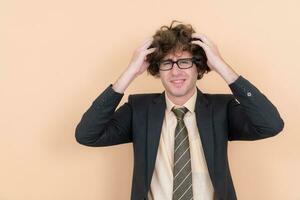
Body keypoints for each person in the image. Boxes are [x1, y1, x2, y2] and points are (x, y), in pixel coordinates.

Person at [75, 20, 284, 200]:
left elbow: (271, 125)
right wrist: (129, 73)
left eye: (184, 62)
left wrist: (221, 66)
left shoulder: (222, 109)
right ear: (158, 68)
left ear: (199, 66)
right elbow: (87, 135)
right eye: (167, 63)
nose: (175, 71)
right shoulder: (139, 110)